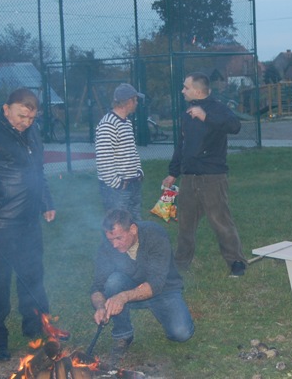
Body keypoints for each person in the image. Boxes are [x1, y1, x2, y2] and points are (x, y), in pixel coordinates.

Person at [0, 88, 56, 362]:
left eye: (31, 118)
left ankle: (35, 327)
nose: (26, 123)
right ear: (6, 109)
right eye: (21, 116)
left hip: (29, 221)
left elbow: (38, 171)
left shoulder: (32, 131)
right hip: (1, 224)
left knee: (32, 278)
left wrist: (46, 201)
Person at [162, 72, 247, 277]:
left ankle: (236, 262)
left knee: (220, 221)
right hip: (189, 177)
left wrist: (206, 117)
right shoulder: (187, 113)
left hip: (212, 177)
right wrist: (173, 173)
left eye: (186, 87)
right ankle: (180, 263)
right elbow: (182, 145)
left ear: (198, 91)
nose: (182, 90)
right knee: (185, 223)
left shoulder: (217, 108)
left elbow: (235, 126)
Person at [90, 209, 194, 368]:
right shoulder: (108, 247)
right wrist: (101, 307)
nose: (114, 244)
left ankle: (161, 309)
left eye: (119, 238)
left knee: (182, 333)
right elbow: (97, 286)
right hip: (130, 287)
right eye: (110, 239)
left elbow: (156, 283)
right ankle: (123, 334)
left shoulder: (154, 235)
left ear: (133, 229)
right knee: (113, 282)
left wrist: (123, 297)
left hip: (164, 289)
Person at [95, 83, 144, 221]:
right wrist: (118, 184)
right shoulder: (108, 124)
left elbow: (132, 151)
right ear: (129, 102)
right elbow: (104, 160)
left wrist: (138, 172)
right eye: (135, 100)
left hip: (133, 183)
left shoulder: (127, 122)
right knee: (117, 225)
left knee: (134, 223)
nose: (137, 103)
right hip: (117, 189)